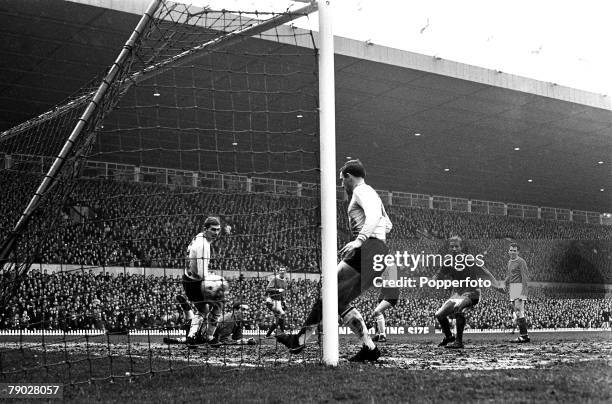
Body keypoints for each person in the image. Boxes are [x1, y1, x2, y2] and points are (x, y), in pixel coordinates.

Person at [276, 159, 392, 362]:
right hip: (379, 251)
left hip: (368, 248)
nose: (341, 185)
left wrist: (360, 240)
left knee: (327, 289)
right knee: (339, 301)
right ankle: (370, 348)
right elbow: (387, 224)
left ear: (348, 176)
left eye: (342, 180)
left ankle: (300, 340)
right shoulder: (372, 194)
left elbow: (373, 216)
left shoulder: (361, 191)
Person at [433, 236, 504, 349]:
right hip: (457, 294)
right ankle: (448, 337)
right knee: (439, 315)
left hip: (472, 292)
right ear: (449, 248)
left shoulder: (469, 260)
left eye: (457, 246)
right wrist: (434, 279)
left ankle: (459, 342)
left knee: (458, 308)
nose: (454, 249)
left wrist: (496, 285)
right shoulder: (448, 262)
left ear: (461, 247)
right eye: (452, 247)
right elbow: (439, 274)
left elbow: (486, 273)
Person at [182, 216, 228, 346]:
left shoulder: (199, 237)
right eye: (213, 230)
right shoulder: (204, 246)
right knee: (219, 305)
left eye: (218, 230)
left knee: (203, 310)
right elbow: (202, 274)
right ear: (205, 229)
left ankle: (192, 337)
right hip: (196, 282)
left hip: (188, 280)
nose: (216, 233)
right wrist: (215, 278)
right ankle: (209, 336)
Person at [164, 301, 256, 346]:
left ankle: (176, 340)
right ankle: (187, 310)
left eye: (247, 310)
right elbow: (224, 340)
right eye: (243, 310)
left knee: (196, 340)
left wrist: (243, 340)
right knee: (197, 336)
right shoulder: (229, 320)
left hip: (206, 334)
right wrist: (245, 342)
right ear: (235, 310)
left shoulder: (239, 321)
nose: (246, 312)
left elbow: (237, 338)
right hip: (205, 332)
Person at [504, 243, 530, 343]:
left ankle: (524, 336)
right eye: (511, 250)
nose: (512, 252)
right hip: (513, 288)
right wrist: (504, 283)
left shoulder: (521, 261)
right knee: (517, 312)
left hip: (519, 287)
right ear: (508, 251)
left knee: (519, 312)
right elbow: (509, 275)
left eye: (514, 250)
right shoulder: (509, 262)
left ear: (518, 252)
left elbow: (525, 277)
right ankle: (524, 335)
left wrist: (523, 293)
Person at [371, 264, 400, 342]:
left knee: (377, 311)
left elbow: (391, 281)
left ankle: (382, 335)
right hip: (384, 291)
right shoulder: (381, 264)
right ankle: (378, 334)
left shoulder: (391, 265)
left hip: (392, 292)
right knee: (375, 313)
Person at [265, 266, 288, 338]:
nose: (282, 271)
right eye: (281, 270)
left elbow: (283, 292)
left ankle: (268, 334)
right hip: (271, 301)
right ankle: (282, 331)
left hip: (278, 301)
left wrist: (284, 301)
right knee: (282, 314)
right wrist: (277, 290)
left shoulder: (284, 280)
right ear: (278, 271)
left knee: (277, 319)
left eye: (283, 270)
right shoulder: (275, 279)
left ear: (285, 272)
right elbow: (268, 289)